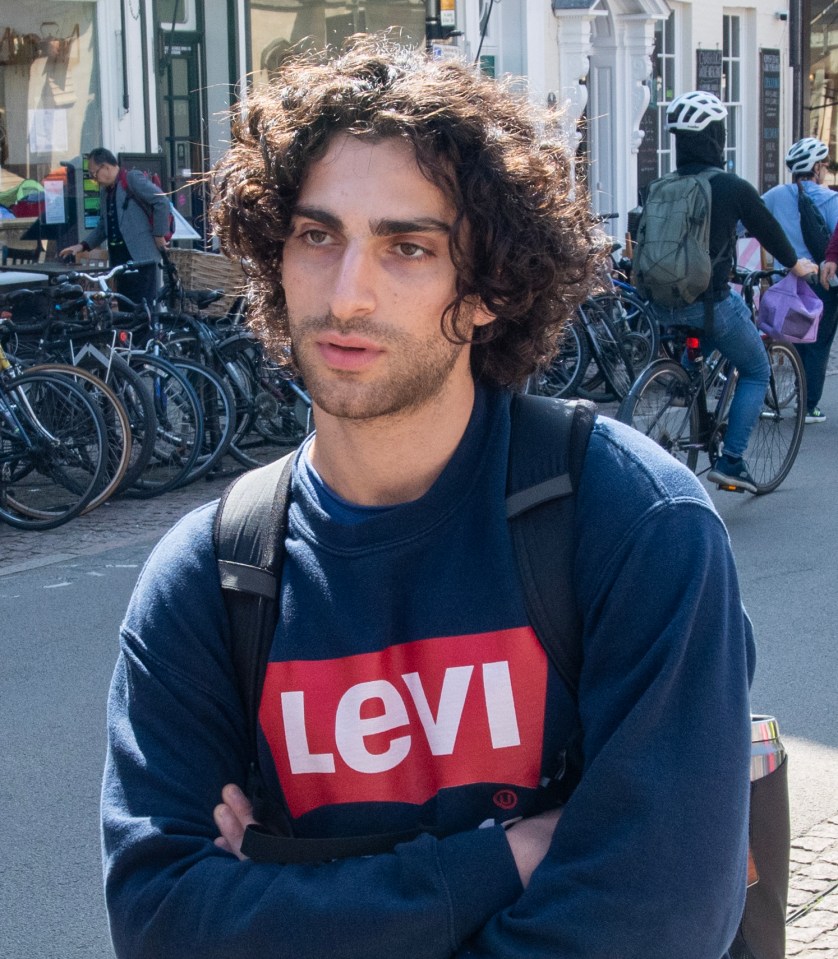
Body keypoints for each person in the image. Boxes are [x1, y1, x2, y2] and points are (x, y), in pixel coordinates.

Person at [102, 38, 756, 959]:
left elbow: (652, 919)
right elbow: (165, 924)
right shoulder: (206, 578)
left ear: (487, 288)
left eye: (407, 247)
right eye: (317, 234)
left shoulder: (632, 524)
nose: (347, 293)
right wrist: (507, 859)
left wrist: (284, 889)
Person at [646, 92, 817, 494]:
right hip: (711, 302)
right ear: (716, 138)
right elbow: (767, 230)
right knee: (756, 370)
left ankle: (684, 390)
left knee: (698, 360)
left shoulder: (660, 186)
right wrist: (796, 266)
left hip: (661, 304)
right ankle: (732, 462)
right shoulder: (730, 186)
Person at [762, 137, 838, 424]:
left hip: (790, 280)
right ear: (817, 168)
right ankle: (809, 406)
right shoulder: (832, 199)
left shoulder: (774, 196)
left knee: (796, 340)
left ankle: (790, 391)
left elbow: (745, 226)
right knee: (819, 344)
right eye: (825, 165)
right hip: (825, 283)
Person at [59, 148, 169, 306]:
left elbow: (161, 201)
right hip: (119, 261)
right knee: (125, 309)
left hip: (141, 258)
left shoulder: (132, 179)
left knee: (145, 310)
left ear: (106, 167)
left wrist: (159, 235)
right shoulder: (105, 192)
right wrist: (82, 246)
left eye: (94, 173)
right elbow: (104, 226)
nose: (93, 179)